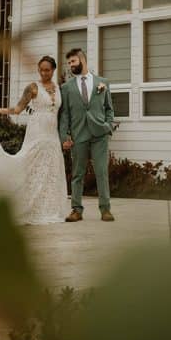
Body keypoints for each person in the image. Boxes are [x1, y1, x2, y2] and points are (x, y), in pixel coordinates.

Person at [0, 55, 67, 225]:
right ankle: (24, 207)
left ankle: (48, 209)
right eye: (41, 70)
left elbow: (61, 112)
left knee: (50, 171)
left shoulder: (59, 88)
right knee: (31, 168)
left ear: (53, 70)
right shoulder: (32, 87)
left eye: (47, 70)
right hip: (37, 132)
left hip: (52, 135)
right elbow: (17, 109)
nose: (44, 73)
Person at [59, 48, 115, 222]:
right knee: (77, 174)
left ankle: (105, 210)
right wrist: (65, 137)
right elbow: (65, 114)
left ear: (82, 60)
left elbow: (109, 108)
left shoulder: (102, 82)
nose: (70, 66)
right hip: (78, 135)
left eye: (73, 62)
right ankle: (76, 210)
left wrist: (108, 126)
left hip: (100, 134)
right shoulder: (66, 87)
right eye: (68, 63)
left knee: (101, 172)